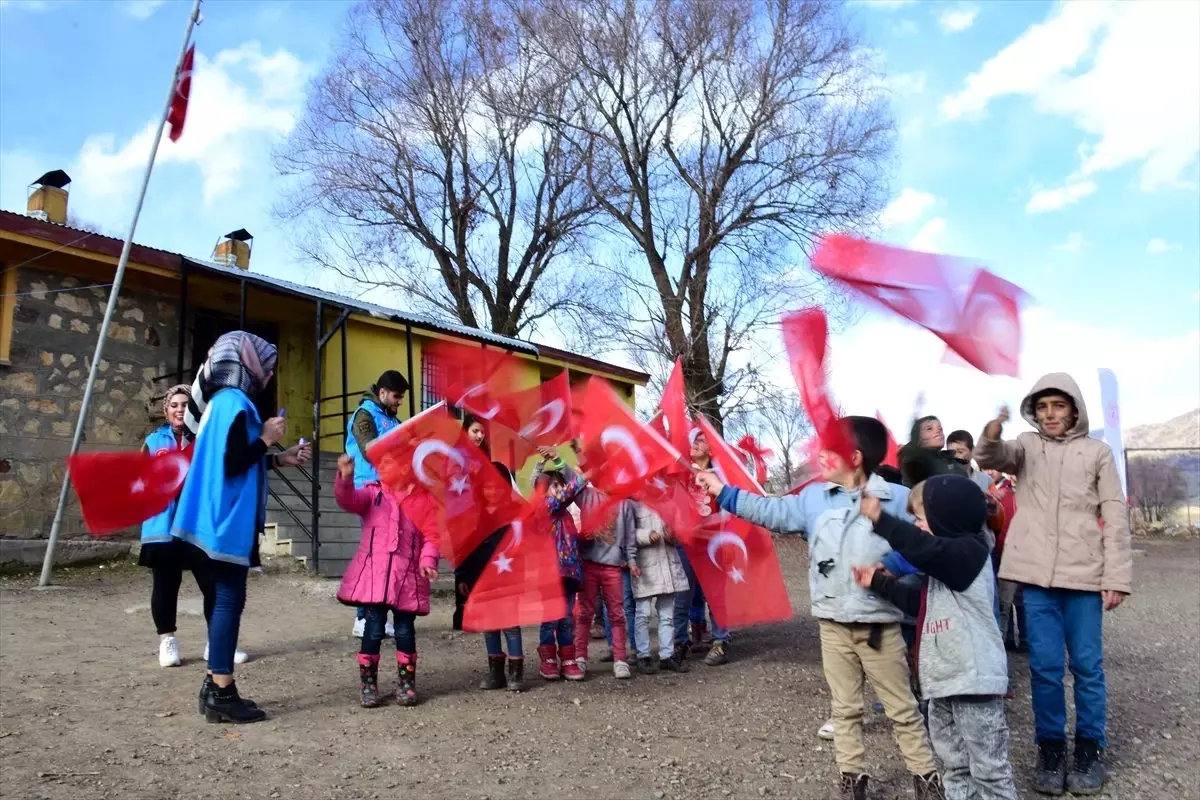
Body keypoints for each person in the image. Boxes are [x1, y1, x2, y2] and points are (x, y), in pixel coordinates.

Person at [696, 416, 944, 800]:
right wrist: (724, 492)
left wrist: (893, 567)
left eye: (829, 449)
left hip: (879, 624)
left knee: (902, 709)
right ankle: (852, 780)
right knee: (844, 708)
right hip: (832, 623)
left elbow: (927, 547)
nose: (820, 455)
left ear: (855, 456)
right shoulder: (813, 499)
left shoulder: (897, 497)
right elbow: (772, 512)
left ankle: (927, 780)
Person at [976, 374, 1131, 796]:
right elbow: (992, 453)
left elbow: (1115, 514)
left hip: (1084, 576)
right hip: (1036, 576)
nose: (1050, 415)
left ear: (1075, 410)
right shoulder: (1025, 446)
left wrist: (1116, 577)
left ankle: (1089, 748)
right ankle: (1049, 748)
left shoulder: (1097, 452)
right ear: (1034, 412)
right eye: (1043, 407)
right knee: (1044, 667)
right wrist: (993, 429)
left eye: (1058, 407)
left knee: (1086, 666)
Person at [173, 331, 310, 723]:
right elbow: (233, 462)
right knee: (228, 602)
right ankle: (221, 691)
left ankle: (215, 684)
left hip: (210, 517)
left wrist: (277, 459)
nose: (268, 375)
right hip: (224, 522)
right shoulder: (237, 404)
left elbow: (233, 461)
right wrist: (266, 437)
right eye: (265, 366)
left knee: (222, 602)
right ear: (246, 364)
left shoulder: (221, 403)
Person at [855, 476, 1017, 800]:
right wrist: (879, 583)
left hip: (974, 682)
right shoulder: (945, 566)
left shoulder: (970, 554)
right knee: (954, 767)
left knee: (989, 772)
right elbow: (923, 606)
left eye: (920, 518)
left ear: (948, 518)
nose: (915, 525)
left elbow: (924, 548)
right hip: (943, 684)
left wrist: (882, 519)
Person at [141, 385, 254, 668]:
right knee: (165, 586)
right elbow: (139, 480)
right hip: (163, 526)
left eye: (185, 404)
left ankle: (214, 643)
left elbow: (227, 468)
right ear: (166, 410)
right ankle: (167, 641)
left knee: (213, 586)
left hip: (198, 524)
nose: (180, 409)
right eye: (174, 405)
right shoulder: (153, 442)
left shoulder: (206, 439)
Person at [333, 454, 438, 707]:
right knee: (373, 628)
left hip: (408, 577)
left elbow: (432, 534)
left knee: (404, 630)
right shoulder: (372, 494)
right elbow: (347, 500)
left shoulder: (423, 500)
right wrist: (345, 477)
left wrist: (428, 560)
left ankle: (406, 684)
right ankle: (368, 685)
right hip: (376, 577)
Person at [346, 370, 410, 638]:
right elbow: (371, 450)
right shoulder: (365, 415)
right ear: (382, 392)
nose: (400, 402)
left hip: (392, 492)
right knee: (374, 553)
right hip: (371, 492)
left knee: (386, 553)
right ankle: (362, 617)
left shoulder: (391, 418)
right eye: (397, 396)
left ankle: (376, 615)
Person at [571, 456, 637, 680]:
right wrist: (561, 460)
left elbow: (629, 537)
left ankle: (620, 659)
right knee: (584, 613)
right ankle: (579, 657)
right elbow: (571, 482)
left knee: (617, 613)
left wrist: (632, 561)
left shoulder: (625, 504)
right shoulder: (588, 496)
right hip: (588, 563)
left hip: (613, 567)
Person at [676, 429, 731, 667]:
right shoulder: (681, 472)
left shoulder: (721, 476)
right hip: (685, 543)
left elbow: (731, 507)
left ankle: (720, 642)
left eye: (701, 441)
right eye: (694, 440)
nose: (695, 444)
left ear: (712, 449)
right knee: (681, 593)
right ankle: (679, 641)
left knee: (715, 594)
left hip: (712, 544)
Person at [531, 453, 586, 681]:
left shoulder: (565, 515)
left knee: (566, 618)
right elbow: (564, 491)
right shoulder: (543, 509)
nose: (558, 490)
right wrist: (582, 476)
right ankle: (548, 659)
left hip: (569, 573)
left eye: (559, 485)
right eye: (553, 486)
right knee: (550, 618)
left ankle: (568, 658)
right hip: (549, 575)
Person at [630, 503, 690, 674]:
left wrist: (673, 535)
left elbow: (679, 532)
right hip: (645, 568)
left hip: (667, 568)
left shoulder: (666, 502)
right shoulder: (633, 504)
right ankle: (643, 655)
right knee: (642, 614)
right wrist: (647, 536)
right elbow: (627, 534)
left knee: (667, 615)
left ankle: (667, 655)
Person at [899, 415, 966, 488]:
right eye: (929, 429)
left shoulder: (953, 464)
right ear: (917, 437)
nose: (938, 431)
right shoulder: (911, 465)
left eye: (940, 428)